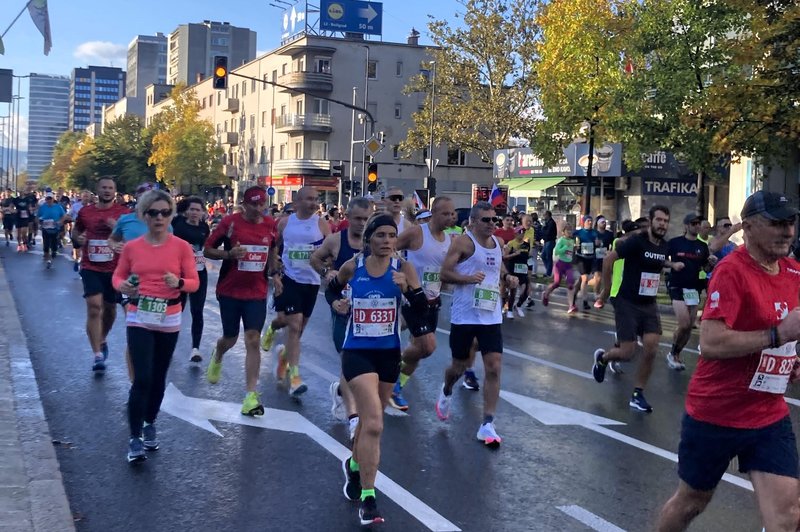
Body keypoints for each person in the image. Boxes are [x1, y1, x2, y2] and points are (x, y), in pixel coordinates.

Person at [657, 190, 800, 532]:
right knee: (692, 501)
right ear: (748, 227)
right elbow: (711, 342)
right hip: (716, 413)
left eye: (791, 223)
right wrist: (777, 335)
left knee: (788, 515)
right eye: (777, 224)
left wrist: (792, 358)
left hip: (768, 414)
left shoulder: (794, 271)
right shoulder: (731, 271)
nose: (788, 232)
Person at [328, 213, 428, 525]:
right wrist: (336, 303)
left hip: (388, 353)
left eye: (391, 236)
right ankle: (369, 499)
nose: (387, 242)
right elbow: (332, 288)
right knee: (373, 423)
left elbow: (423, 311)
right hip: (357, 352)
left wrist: (409, 290)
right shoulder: (353, 267)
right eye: (381, 235)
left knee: (374, 422)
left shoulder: (404, 268)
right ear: (369, 239)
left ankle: (355, 466)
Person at [113, 190, 199, 463]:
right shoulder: (132, 247)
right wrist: (123, 286)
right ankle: (135, 437)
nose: (159, 218)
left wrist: (180, 283)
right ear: (144, 215)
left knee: (159, 376)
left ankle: (150, 422)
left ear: (172, 215)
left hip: (169, 315)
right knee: (143, 377)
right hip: (139, 314)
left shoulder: (182, 247)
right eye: (153, 213)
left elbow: (194, 282)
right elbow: (118, 276)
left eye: (165, 212)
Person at [436, 201, 518, 447]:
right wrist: (468, 278)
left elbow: (498, 265)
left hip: (491, 315)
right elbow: (444, 273)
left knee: (493, 366)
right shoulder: (463, 242)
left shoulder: (498, 244)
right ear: (473, 222)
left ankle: (487, 423)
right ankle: (447, 388)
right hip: (465, 315)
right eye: (486, 220)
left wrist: (507, 276)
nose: (492, 224)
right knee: (460, 366)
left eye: (495, 219)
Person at [592, 205, 684, 412]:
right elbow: (609, 259)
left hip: (648, 303)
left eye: (666, 221)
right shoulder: (636, 241)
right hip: (627, 301)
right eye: (659, 220)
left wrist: (673, 265)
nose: (663, 224)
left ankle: (637, 394)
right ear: (651, 221)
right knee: (627, 352)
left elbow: (658, 260)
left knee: (651, 348)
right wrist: (606, 291)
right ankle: (603, 358)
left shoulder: (664, 246)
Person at [204, 187, 279, 415]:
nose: (259, 209)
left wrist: (275, 274)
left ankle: (250, 396)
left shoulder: (270, 224)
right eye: (254, 204)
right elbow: (207, 250)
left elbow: (273, 249)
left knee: (253, 339)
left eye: (262, 204)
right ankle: (218, 353)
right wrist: (228, 255)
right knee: (230, 338)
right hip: (230, 290)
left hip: (256, 291)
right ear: (244, 205)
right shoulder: (230, 223)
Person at [310, 196, 371, 441]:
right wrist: (327, 271)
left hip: (369, 313)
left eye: (367, 219)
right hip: (343, 309)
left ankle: (341, 390)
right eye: (357, 218)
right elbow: (315, 258)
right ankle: (354, 418)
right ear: (347, 216)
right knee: (348, 360)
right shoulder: (336, 240)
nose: (362, 224)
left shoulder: (379, 243)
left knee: (364, 366)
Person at [261, 186, 330, 397]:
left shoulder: (322, 224)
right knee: (294, 324)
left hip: (311, 283)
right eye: (309, 198)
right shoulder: (284, 223)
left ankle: (279, 346)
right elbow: (272, 246)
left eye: (316, 199)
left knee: (296, 330)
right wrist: (274, 271)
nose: (313, 203)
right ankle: (295, 377)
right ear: (297, 202)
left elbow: (330, 249)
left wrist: (329, 270)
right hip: (290, 279)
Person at [389, 196, 455, 410]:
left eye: (452, 213)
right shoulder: (418, 233)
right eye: (445, 213)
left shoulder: (449, 240)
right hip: (412, 298)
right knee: (428, 345)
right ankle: (391, 372)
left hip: (433, 301)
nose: (450, 217)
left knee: (421, 350)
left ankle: (397, 384)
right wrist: (400, 269)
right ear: (433, 213)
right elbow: (390, 246)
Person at [72, 177, 131, 373]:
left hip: (115, 269)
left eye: (110, 188)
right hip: (91, 267)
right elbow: (76, 232)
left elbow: (133, 238)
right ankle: (97, 355)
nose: (107, 191)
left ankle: (102, 337)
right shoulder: (85, 212)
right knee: (94, 307)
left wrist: (117, 228)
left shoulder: (124, 214)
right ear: (97, 190)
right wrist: (77, 238)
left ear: (115, 191)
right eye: (104, 188)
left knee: (110, 309)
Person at [665, 213, 715, 370]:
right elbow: (662, 259)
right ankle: (672, 354)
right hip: (676, 286)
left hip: (693, 289)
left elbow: (705, 268)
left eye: (699, 223)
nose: (697, 226)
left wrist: (711, 264)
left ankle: (676, 352)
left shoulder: (702, 246)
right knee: (685, 323)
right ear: (686, 226)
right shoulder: (674, 243)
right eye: (693, 223)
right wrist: (673, 265)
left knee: (688, 326)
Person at [173, 196, 210, 363]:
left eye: (198, 210)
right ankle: (169, 342)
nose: (195, 213)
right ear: (186, 211)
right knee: (176, 311)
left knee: (197, 311)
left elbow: (204, 247)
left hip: (199, 273)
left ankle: (195, 348)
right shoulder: (177, 223)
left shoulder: (204, 227)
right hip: (178, 275)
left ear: (203, 212)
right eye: (192, 209)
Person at [542, 223, 577, 312]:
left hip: (568, 265)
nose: (569, 232)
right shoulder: (561, 240)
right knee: (557, 283)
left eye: (570, 230)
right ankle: (546, 294)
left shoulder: (572, 241)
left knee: (570, 284)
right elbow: (557, 251)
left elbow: (571, 253)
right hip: (559, 264)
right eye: (567, 230)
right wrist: (566, 247)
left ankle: (571, 306)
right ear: (563, 232)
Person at [503, 226, 531, 318]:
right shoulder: (511, 243)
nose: (522, 234)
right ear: (515, 234)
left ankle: (518, 305)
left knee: (526, 291)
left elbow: (528, 257)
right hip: (513, 269)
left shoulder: (526, 244)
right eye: (520, 233)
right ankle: (509, 310)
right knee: (513, 291)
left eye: (523, 233)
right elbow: (505, 257)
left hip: (523, 270)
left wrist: (529, 266)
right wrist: (515, 254)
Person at [573, 215, 598, 311]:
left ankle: (574, 295)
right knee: (585, 279)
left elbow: (598, 244)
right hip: (580, 258)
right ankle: (585, 301)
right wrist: (574, 245)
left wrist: (598, 243)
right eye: (588, 221)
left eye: (591, 221)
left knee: (581, 280)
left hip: (590, 258)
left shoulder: (594, 233)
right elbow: (570, 239)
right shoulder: (578, 232)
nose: (590, 223)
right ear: (584, 222)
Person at [38, 191, 67, 268]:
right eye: (47, 199)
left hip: (55, 228)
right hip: (45, 228)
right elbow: (37, 216)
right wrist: (39, 223)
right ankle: (48, 260)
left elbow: (64, 216)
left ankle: (53, 253)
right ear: (45, 199)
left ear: (53, 199)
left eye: (50, 198)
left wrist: (60, 222)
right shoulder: (42, 207)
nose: (49, 200)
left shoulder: (58, 207)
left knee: (54, 245)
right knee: (46, 244)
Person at [592, 217, 615, 308]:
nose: (604, 224)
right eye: (602, 222)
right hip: (595, 257)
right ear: (597, 223)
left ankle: (601, 297)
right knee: (598, 278)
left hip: (605, 257)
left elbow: (613, 244)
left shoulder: (609, 234)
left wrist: (611, 251)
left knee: (606, 279)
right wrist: (594, 243)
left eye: (605, 222)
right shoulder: (594, 233)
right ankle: (596, 295)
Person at [69, 190, 92, 271]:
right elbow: (69, 215)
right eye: (84, 196)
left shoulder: (92, 207)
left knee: (86, 248)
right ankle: (76, 260)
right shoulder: (75, 206)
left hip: (88, 230)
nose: (86, 198)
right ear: (81, 197)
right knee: (77, 248)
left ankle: (83, 264)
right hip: (77, 230)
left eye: (87, 196)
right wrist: (74, 220)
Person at [541, 210, 557, 277]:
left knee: (548, 257)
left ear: (548, 215)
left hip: (550, 241)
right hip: (546, 241)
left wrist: (544, 229)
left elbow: (548, 232)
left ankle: (548, 273)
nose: (543, 216)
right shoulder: (546, 222)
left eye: (544, 215)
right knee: (543, 256)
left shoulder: (551, 223)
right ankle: (548, 270)